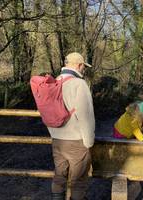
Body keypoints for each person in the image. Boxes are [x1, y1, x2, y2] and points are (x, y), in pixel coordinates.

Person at [47, 52, 95, 200]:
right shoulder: (79, 84)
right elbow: (86, 116)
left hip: (57, 140)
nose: (84, 70)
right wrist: (89, 142)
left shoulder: (54, 82)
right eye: (83, 67)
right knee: (78, 181)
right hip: (76, 142)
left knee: (59, 176)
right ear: (79, 65)